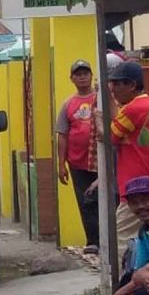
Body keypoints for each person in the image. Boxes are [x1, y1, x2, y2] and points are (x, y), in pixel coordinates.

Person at [106, 61, 149, 245]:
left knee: (122, 240)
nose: (113, 89)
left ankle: (126, 274)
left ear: (131, 85)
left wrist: (99, 118)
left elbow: (107, 136)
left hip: (137, 189)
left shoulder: (133, 109)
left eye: (116, 84)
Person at [104, 178, 149, 295]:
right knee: (132, 279)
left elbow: (148, 274)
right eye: (134, 202)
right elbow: (138, 274)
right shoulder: (144, 232)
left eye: (145, 200)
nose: (141, 206)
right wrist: (119, 294)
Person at [56, 59, 99, 254]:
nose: (82, 76)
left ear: (91, 75)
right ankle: (93, 241)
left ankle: (108, 239)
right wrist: (61, 164)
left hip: (100, 162)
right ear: (71, 78)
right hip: (77, 162)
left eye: (85, 73)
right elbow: (62, 135)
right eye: (78, 74)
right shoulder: (68, 104)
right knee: (85, 201)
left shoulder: (100, 99)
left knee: (104, 200)